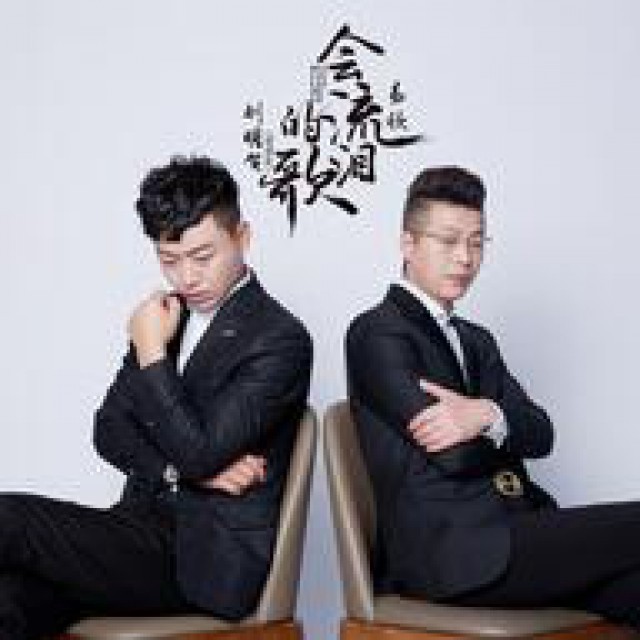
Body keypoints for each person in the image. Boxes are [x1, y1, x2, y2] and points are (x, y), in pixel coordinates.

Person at [0, 155, 313, 639]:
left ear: (242, 238)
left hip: (202, 558)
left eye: (203, 257)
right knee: (9, 601)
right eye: (169, 260)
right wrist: (181, 472)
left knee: (10, 519)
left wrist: (150, 351)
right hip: (133, 534)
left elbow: (200, 452)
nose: (187, 278)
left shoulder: (279, 338)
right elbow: (108, 429)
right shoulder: (169, 317)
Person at [346, 166, 640, 628]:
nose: (464, 257)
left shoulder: (477, 340)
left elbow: (542, 434)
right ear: (408, 244)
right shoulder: (377, 333)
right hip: (451, 554)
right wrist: (502, 431)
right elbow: (453, 457)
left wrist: (485, 414)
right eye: (448, 241)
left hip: (514, 530)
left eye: (477, 242)